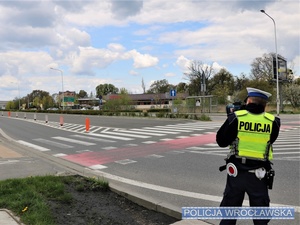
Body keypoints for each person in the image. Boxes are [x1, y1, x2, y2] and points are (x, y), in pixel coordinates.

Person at [216, 87, 281, 225]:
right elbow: (270, 140)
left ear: (249, 101)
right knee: (260, 219)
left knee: (228, 216)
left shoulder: (236, 118)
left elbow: (221, 141)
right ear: (265, 105)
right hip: (259, 175)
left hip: (236, 174)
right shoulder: (273, 122)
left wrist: (232, 118)